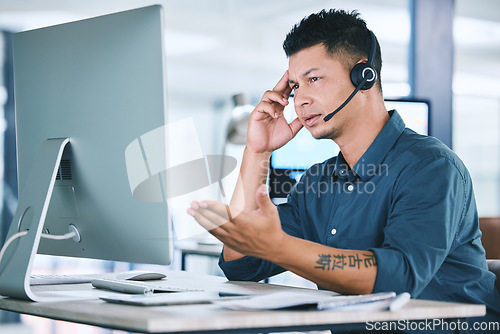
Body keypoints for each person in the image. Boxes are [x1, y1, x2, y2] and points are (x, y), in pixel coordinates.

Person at [187, 9, 500, 322]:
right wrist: (258, 151)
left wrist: (280, 247)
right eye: (295, 86)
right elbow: (241, 264)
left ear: (363, 76)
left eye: (314, 79)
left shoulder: (430, 167)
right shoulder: (316, 183)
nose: (300, 100)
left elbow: (399, 278)